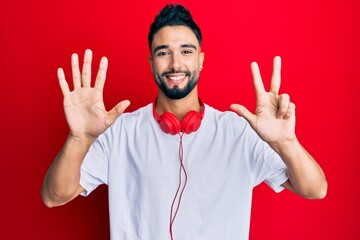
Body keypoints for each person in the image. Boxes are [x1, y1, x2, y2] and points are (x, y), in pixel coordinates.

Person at [41, 4, 327, 240]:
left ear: (201, 60)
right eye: (163, 52)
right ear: (151, 61)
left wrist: (285, 143)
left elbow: (315, 189)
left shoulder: (240, 132)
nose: (175, 63)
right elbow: (54, 197)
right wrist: (79, 139)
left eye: (186, 51)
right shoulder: (119, 133)